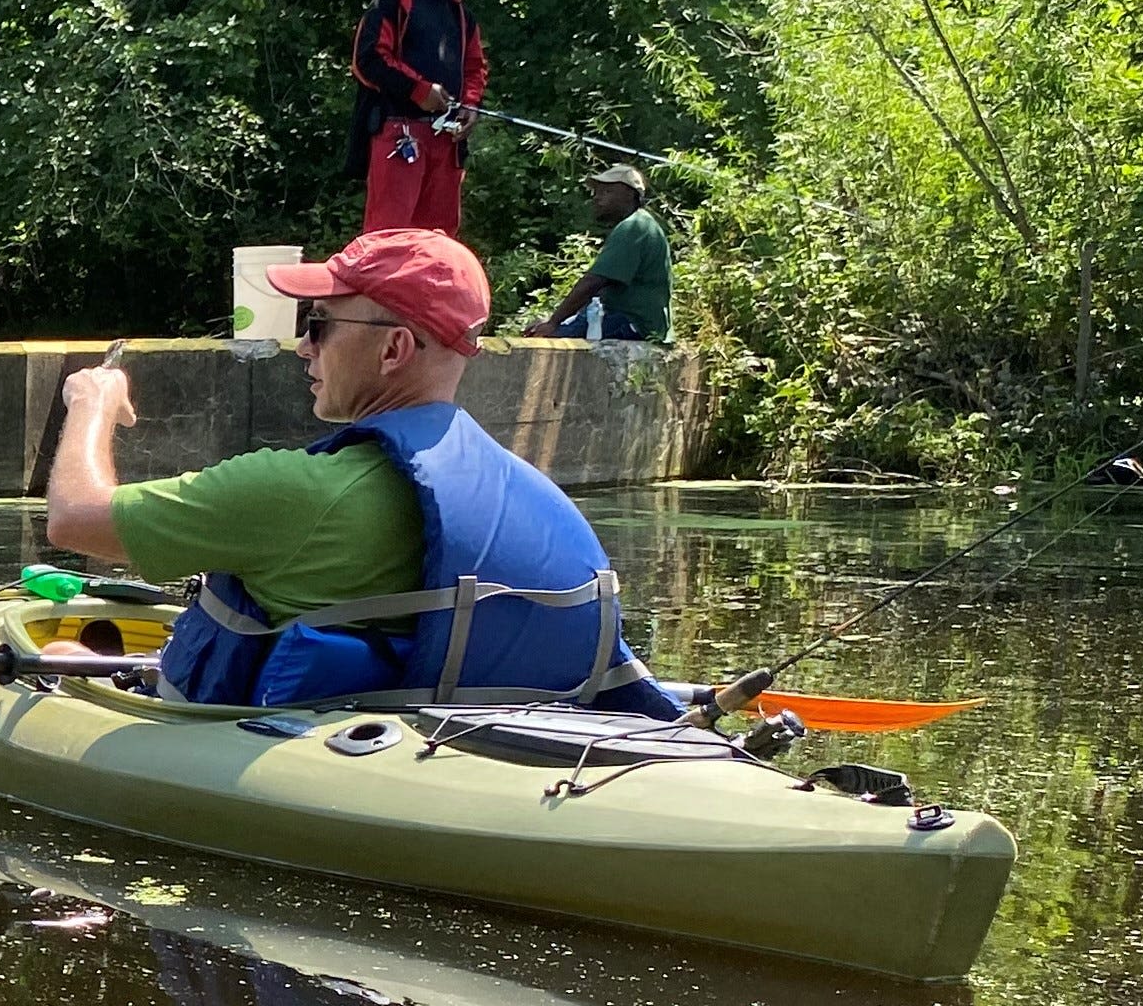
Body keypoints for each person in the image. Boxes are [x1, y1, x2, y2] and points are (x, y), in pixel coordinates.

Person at [44, 223, 674, 711]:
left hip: (291, 751)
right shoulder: (538, 499)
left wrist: (92, 403)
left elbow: (74, 519)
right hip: (448, 733)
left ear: (395, 348)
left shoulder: (294, 493)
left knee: (65, 655)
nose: (302, 345)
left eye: (319, 325)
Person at [347, 0, 487, 239]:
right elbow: (368, 60)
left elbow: (475, 66)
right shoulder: (391, 3)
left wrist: (472, 105)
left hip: (447, 142)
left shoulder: (462, 16)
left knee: (438, 239)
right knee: (390, 236)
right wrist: (419, 90)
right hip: (399, 133)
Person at [531, 163, 671, 343]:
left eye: (606, 192)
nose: (596, 198)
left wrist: (553, 322)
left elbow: (593, 281)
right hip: (634, 321)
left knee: (545, 341)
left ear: (629, 194)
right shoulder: (641, 224)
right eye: (596, 192)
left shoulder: (633, 227)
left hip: (631, 323)